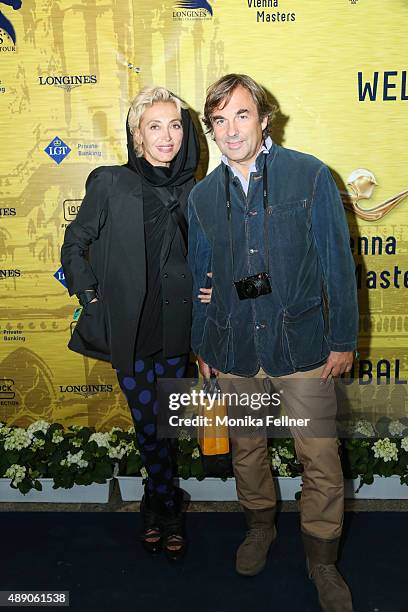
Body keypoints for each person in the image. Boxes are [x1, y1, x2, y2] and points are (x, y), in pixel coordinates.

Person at [188, 74, 358, 611]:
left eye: (241, 115)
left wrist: (342, 338)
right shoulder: (201, 198)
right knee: (246, 451)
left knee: (322, 460)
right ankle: (260, 528)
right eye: (220, 120)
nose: (231, 129)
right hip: (234, 348)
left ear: (264, 118)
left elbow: (337, 265)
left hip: (303, 348)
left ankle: (322, 561)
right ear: (211, 130)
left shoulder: (309, 176)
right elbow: (203, 282)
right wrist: (204, 346)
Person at [61, 86, 211, 561]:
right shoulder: (109, 182)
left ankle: (155, 500)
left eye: (174, 126)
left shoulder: (199, 189)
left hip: (178, 333)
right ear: (136, 135)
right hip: (131, 330)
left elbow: (210, 256)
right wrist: (90, 294)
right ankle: (168, 511)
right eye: (154, 126)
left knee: (163, 424)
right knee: (149, 424)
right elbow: (73, 245)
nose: (166, 136)